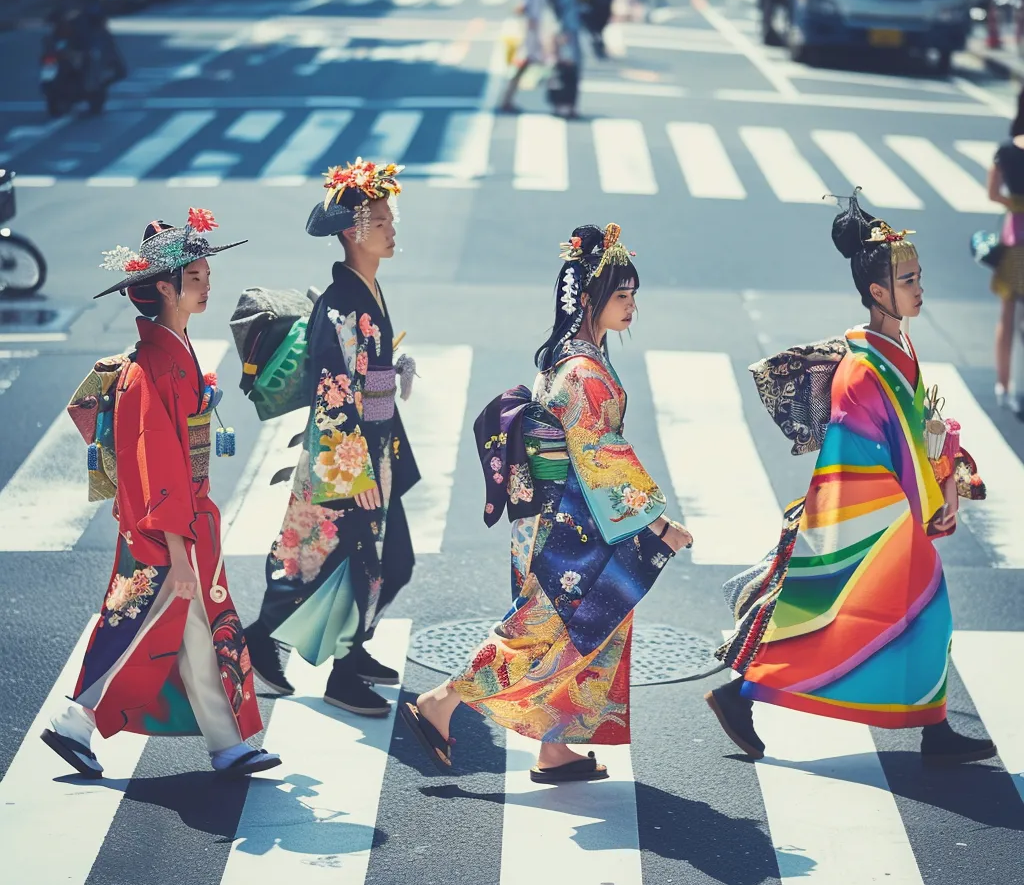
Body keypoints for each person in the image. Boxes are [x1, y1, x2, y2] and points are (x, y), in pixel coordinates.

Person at [706, 192, 998, 767]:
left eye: (918, 275)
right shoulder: (862, 369)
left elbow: (912, 433)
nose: (919, 287)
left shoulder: (897, 347)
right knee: (891, 619)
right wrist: (927, 498)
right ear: (877, 293)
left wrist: (948, 467)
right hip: (872, 518)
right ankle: (741, 695)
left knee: (861, 624)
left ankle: (742, 696)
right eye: (907, 279)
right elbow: (859, 460)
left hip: (888, 512)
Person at [402, 223, 692, 782]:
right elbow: (601, 453)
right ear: (588, 299)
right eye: (622, 296)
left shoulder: (572, 355)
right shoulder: (582, 370)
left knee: (586, 629)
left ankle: (554, 747)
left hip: (564, 516)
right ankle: (441, 702)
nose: (632, 306)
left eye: (634, 295)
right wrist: (657, 523)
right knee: (543, 630)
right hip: (566, 526)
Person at [43, 211, 280, 780]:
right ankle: (74, 721)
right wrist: (177, 550)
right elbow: (160, 464)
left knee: (195, 626)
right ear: (167, 289)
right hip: (167, 524)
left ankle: (227, 743)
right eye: (196, 276)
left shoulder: (170, 353)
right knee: (135, 625)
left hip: (178, 520)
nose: (207, 282)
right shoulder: (152, 367)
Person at [242, 159, 420, 717]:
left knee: (383, 559)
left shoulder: (365, 290)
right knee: (328, 561)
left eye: (391, 220)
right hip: (347, 461)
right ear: (352, 231)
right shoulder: (342, 302)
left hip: (368, 452)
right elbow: (333, 387)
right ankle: (317, 664)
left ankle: (349, 652)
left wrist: (394, 372)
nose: (393, 230)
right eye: (382, 222)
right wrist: (358, 471)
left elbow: (365, 378)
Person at [986, 88, 1024, 414]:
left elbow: (992, 192)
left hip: (1015, 241)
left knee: (1007, 315)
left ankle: (1003, 383)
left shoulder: (1006, 151)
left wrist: (1015, 204)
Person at [500, 0, 547, 113]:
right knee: (523, 68)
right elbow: (533, 19)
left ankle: (507, 100)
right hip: (529, 38)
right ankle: (506, 100)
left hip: (527, 37)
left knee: (522, 69)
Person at [548, 0, 587, 119]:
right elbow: (562, 12)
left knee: (569, 71)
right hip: (568, 34)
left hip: (571, 33)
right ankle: (564, 105)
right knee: (567, 71)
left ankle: (567, 106)